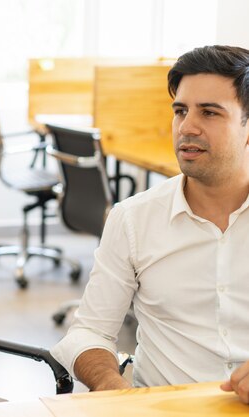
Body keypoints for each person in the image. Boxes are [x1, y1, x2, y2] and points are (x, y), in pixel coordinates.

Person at [50, 45, 249, 402]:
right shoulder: (133, 219)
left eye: (209, 113)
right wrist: (113, 388)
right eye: (180, 111)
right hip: (163, 407)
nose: (187, 127)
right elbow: (89, 332)